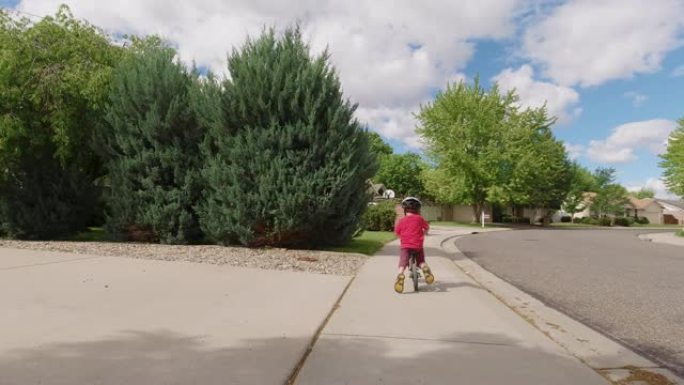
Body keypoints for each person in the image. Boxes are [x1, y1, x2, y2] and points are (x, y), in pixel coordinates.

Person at [393, 197, 435, 293]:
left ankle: (400, 275)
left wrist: (402, 236)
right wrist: (424, 233)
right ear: (418, 209)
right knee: (421, 260)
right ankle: (424, 268)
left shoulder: (402, 220)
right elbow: (427, 227)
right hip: (417, 245)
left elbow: (396, 232)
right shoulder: (419, 219)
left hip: (405, 246)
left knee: (403, 263)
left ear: (404, 209)